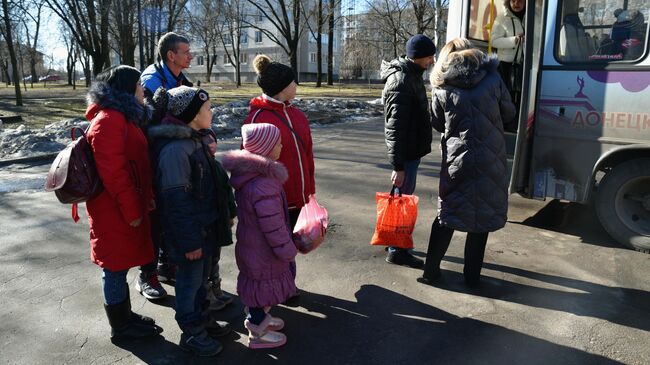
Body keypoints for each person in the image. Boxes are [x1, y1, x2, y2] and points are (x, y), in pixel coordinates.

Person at [418, 42, 516, 288]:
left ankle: (430, 272)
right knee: (481, 218)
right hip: (490, 157)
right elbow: (509, 113)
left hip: (457, 160)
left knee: (448, 213)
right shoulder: (492, 79)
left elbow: (438, 124)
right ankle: (472, 278)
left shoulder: (441, 86)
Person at [147, 86, 231, 357]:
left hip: (204, 229)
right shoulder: (175, 151)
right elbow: (176, 203)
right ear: (192, 114)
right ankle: (191, 332)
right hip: (190, 235)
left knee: (202, 280)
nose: (211, 112)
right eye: (207, 108)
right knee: (189, 283)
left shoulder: (195, 141)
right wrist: (190, 240)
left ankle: (203, 320)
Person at [84, 65, 162, 339]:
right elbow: (115, 174)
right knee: (114, 269)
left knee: (120, 265)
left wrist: (147, 200)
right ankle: (120, 327)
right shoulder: (109, 120)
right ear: (127, 89)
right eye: (139, 84)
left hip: (125, 206)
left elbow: (136, 164)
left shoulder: (123, 117)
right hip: (114, 210)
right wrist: (132, 210)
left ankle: (125, 316)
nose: (144, 89)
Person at [242, 54, 315, 303]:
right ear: (283, 88)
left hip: (299, 196)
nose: (297, 86)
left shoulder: (297, 115)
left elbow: (308, 157)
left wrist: (310, 191)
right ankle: (282, 290)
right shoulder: (257, 118)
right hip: (273, 199)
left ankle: (288, 285)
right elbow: (250, 166)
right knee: (277, 247)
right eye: (294, 82)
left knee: (291, 246)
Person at [222, 123, 298, 349]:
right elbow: (273, 225)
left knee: (260, 287)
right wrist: (287, 249)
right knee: (261, 290)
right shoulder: (264, 185)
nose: (281, 145)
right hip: (263, 249)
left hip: (252, 245)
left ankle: (262, 319)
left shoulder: (251, 176)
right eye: (277, 143)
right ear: (265, 148)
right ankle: (257, 332)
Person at [136, 32, 194, 300]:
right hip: (153, 158)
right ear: (171, 55)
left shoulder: (180, 78)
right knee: (155, 216)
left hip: (171, 154)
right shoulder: (151, 82)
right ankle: (146, 275)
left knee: (171, 212)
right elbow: (147, 125)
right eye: (185, 51)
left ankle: (164, 265)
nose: (189, 55)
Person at [379, 34, 436, 268]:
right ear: (418, 56)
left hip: (411, 151)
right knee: (402, 200)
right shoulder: (402, 80)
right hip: (406, 155)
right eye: (430, 56)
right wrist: (398, 166)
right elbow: (394, 128)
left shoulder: (411, 76)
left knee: (398, 198)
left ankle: (392, 240)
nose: (433, 60)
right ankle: (397, 250)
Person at [204, 130, 236, 311]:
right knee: (207, 259)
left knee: (215, 257)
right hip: (208, 222)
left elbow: (227, 192)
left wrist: (231, 213)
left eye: (213, 141)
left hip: (220, 221)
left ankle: (216, 287)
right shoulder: (200, 166)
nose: (211, 144)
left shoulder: (217, 166)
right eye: (207, 142)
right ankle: (207, 292)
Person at [491, 0, 525, 103]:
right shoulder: (502, 18)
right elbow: (494, 41)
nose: (516, 3)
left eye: (520, 1)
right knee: (506, 98)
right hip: (506, 66)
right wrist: (514, 40)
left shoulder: (534, 16)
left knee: (521, 98)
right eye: (513, 1)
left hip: (525, 64)